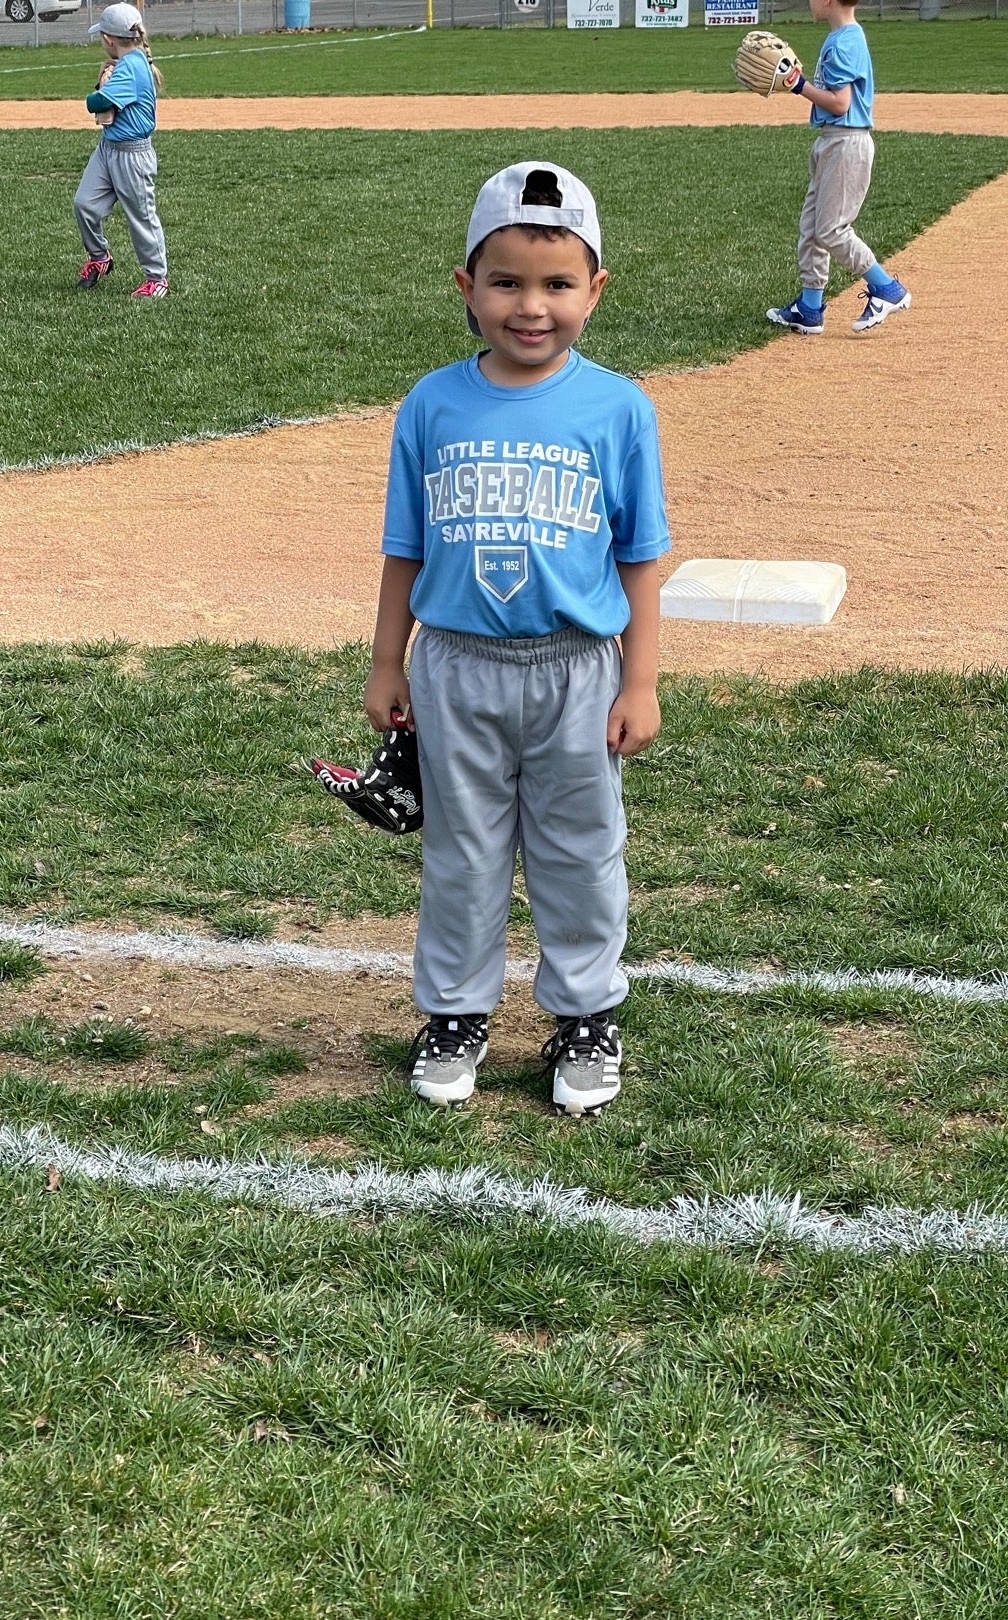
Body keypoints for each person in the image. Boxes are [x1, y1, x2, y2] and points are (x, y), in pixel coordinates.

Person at [368, 161, 671, 1115]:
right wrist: (387, 661)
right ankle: (456, 1011)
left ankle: (585, 1013)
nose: (530, 306)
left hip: (578, 668)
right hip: (455, 666)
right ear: (466, 287)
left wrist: (642, 681)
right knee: (463, 853)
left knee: (581, 852)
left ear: (595, 290)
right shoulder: (431, 404)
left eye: (557, 284)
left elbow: (640, 557)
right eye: (505, 281)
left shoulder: (619, 407)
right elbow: (404, 549)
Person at [765, 0, 911, 336]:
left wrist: (797, 85)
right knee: (813, 228)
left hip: (846, 144)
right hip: (834, 141)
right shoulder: (842, 37)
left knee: (832, 230)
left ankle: (887, 288)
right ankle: (810, 308)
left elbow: (840, 102)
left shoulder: (844, 42)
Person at [74, 1, 168, 300]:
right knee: (84, 203)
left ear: (108, 39)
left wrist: (100, 85)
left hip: (132, 155)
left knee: (141, 217)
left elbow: (95, 103)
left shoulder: (132, 67)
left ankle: (157, 279)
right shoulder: (130, 63)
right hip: (109, 149)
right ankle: (100, 257)